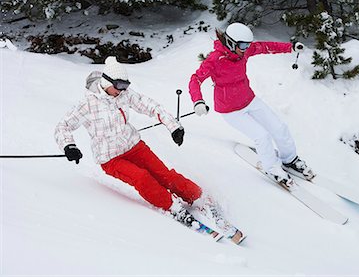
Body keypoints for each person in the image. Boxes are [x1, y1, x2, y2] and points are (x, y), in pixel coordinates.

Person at [55, 56, 244, 243]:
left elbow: (150, 106)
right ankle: (172, 206)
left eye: (125, 86)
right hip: (110, 158)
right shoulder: (87, 105)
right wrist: (68, 146)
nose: (123, 90)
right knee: (142, 178)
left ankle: (198, 197)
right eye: (119, 86)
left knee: (165, 174)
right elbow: (62, 126)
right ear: (107, 82)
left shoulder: (124, 94)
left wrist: (173, 126)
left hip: (134, 146)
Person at [188, 22, 316, 188]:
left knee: (279, 127)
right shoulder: (214, 60)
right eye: (243, 45)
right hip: (230, 109)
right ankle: (272, 168)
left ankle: (290, 159)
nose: (246, 48)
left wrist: (290, 47)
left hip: (249, 99)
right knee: (262, 136)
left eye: (247, 45)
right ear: (232, 42)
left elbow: (265, 46)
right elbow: (195, 79)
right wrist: (198, 101)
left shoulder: (243, 52)